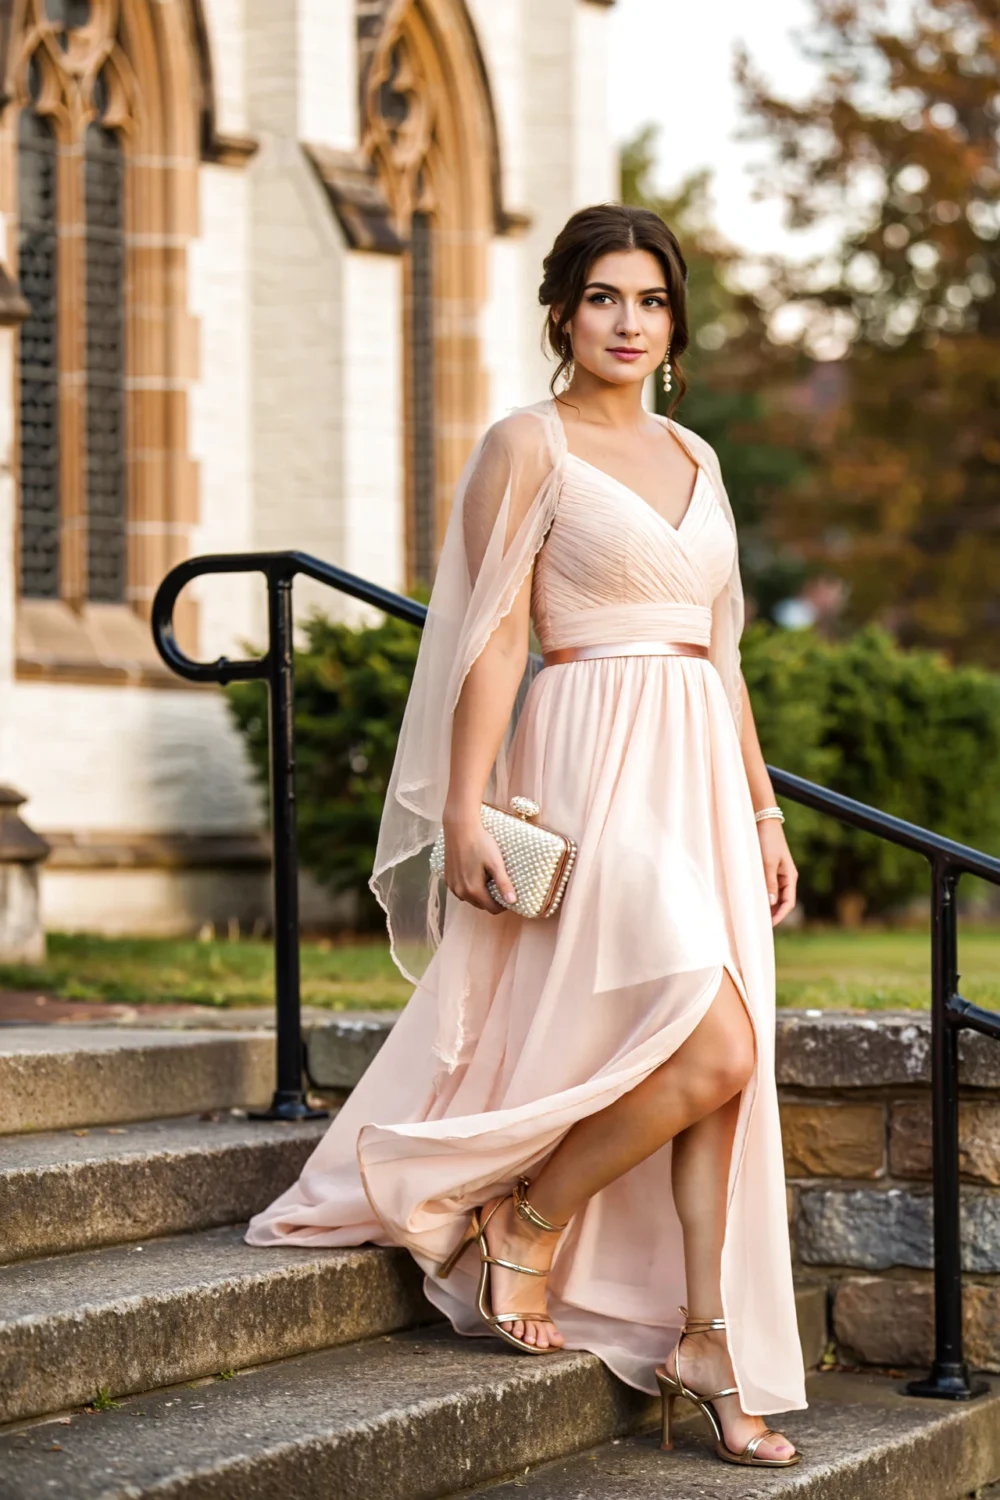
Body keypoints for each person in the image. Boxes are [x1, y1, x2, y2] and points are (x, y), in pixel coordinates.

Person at [246, 202, 806, 1469]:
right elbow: (495, 640)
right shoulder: (526, 444)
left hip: (699, 773)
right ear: (561, 313)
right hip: (589, 759)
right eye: (604, 297)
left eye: (650, 301)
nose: (628, 322)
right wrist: (462, 807)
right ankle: (528, 1217)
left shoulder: (698, 455)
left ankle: (709, 1341)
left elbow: (720, 656)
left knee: (724, 1075)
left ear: (674, 324)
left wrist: (764, 808)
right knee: (713, 1040)